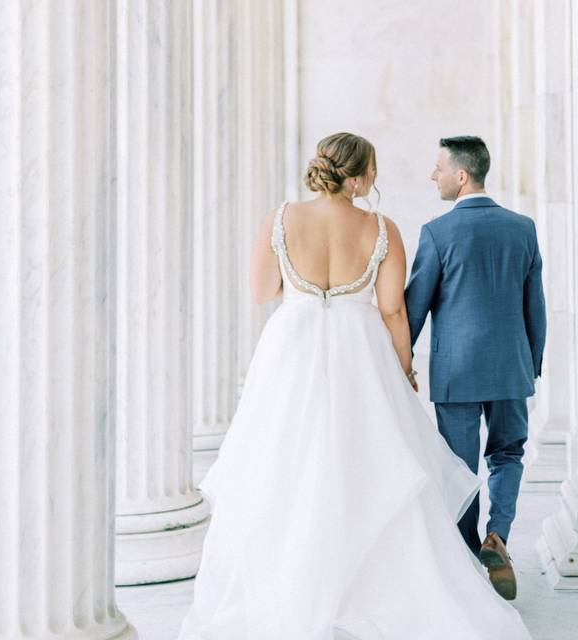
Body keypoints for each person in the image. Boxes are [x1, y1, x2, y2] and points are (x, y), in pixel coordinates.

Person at [177, 132, 532, 639]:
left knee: (287, 463)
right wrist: (404, 369)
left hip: (292, 350)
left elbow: (262, 291)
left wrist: (305, 291)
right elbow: (392, 310)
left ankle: (294, 581)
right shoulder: (381, 228)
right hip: (360, 351)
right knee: (368, 463)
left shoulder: (281, 218)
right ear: (361, 175)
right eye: (375, 170)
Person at [405, 136, 547, 601]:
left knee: (459, 466)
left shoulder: (437, 233)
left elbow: (415, 307)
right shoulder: (522, 227)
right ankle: (498, 537)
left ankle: (467, 558)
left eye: (439, 167)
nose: (434, 175)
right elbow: (535, 307)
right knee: (508, 453)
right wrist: (533, 362)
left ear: (461, 175)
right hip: (510, 367)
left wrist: (398, 360)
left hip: (457, 372)